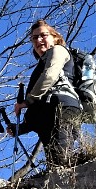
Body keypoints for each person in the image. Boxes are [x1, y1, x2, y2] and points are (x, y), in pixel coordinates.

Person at [7, 19, 82, 167]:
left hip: (62, 108)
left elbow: (50, 76)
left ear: (55, 38)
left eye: (43, 35)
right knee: (55, 162)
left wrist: (26, 102)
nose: (38, 40)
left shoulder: (58, 50)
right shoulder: (41, 65)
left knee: (62, 160)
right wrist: (22, 127)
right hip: (52, 111)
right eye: (34, 38)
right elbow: (40, 107)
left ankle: (71, 185)